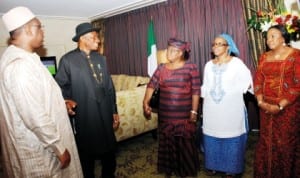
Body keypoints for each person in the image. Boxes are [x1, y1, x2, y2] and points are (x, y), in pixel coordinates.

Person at [0, 6, 83, 177]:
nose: (43, 32)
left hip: (43, 143)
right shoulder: (19, 66)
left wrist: (61, 104)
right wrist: (58, 147)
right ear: (29, 29)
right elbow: (33, 114)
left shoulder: (27, 58)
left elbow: (36, 99)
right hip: (39, 151)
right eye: (40, 27)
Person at [55, 22, 120, 178]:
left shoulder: (101, 59)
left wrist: (114, 111)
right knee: (87, 156)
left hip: (104, 113)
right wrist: (66, 101)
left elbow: (109, 87)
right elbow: (58, 88)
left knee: (110, 152)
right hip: (85, 116)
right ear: (83, 38)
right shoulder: (68, 60)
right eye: (94, 37)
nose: (98, 41)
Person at [143, 38, 201, 177]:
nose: (168, 52)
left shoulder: (190, 67)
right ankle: (170, 169)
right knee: (168, 141)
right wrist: (145, 102)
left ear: (180, 53)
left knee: (183, 143)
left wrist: (194, 110)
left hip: (183, 115)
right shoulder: (161, 67)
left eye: (171, 50)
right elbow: (151, 85)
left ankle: (184, 170)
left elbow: (196, 90)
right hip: (166, 114)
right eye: (168, 49)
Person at [201, 33, 253, 177]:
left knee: (232, 135)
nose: (216, 46)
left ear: (228, 47)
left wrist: (236, 90)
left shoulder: (237, 63)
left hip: (231, 109)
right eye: (214, 44)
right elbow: (205, 87)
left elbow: (248, 82)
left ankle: (232, 168)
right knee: (212, 134)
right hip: (211, 109)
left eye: (220, 44)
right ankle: (213, 165)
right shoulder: (208, 65)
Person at [253, 25, 300, 178]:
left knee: (285, 143)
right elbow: (258, 81)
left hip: (288, 109)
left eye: (273, 35)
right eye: (268, 36)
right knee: (266, 142)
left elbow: (297, 84)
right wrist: (260, 102)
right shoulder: (264, 57)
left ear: (283, 38)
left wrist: (280, 106)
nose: (269, 39)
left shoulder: (296, 55)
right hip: (265, 108)